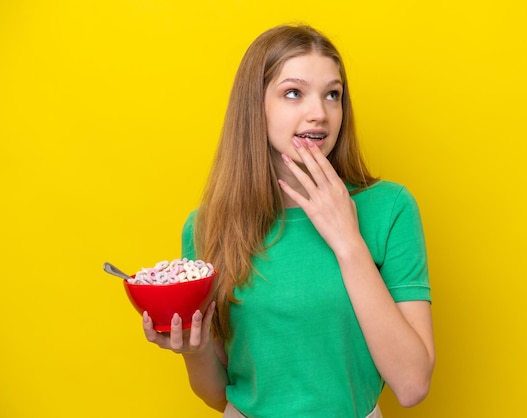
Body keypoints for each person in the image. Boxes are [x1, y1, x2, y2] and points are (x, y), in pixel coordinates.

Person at [142, 24, 435, 418]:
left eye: (333, 95)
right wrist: (193, 352)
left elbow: (413, 384)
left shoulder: (390, 209)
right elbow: (220, 394)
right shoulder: (207, 228)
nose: (319, 113)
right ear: (254, 107)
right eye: (293, 93)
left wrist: (348, 241)